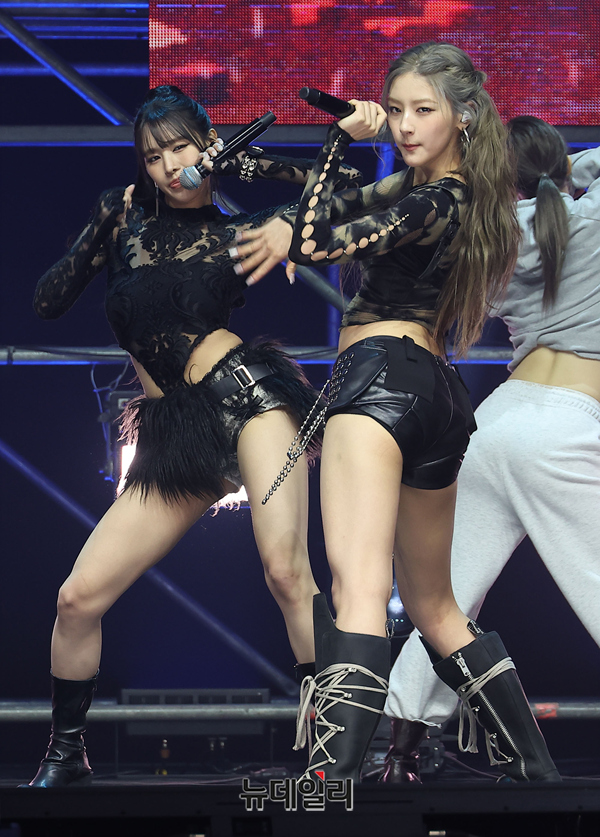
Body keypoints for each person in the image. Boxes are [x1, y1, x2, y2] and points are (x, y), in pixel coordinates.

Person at [232, 42, 560, 783]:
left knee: (357, 591)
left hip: (376, 380)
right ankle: (538, 773)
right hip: (436, 396)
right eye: (397, 110)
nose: (405, 125)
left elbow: (313, 237)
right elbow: (329, 198)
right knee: (436, 606)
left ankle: (326, 785)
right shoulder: (455, 194)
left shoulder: (432, 200)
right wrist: (256, 164)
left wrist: (336, 141)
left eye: (423, 110)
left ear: (463, 116)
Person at [22, 84, 362, 788]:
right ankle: (67, 753)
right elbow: (47, 302)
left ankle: (333, 755)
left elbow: (345, 189)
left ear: (206, 145)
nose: (167, 166)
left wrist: (249, 164)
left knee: (285, 571)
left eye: (180, 147)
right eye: (152, 156)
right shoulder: (122, 220)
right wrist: (99, 225)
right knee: (77, 598)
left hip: (250, 400)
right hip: (175, 433)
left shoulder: (242, 230)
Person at [383, 115, 600, 782]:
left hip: (496, 423)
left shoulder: (488, 240)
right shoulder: (591, 216)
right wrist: (573, 171)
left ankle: (399, 751)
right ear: (558, 168)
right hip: (564, 426)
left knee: (442, 599)